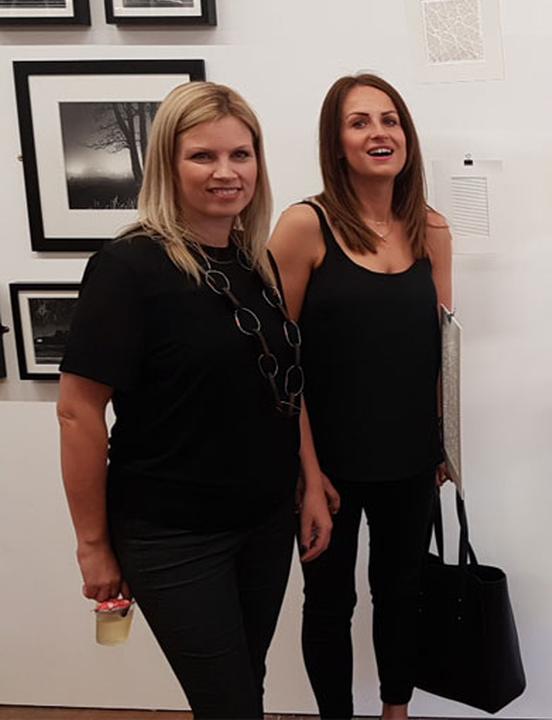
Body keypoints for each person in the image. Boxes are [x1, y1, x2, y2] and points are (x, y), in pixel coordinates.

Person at [57, 81, 303, 719]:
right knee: (228, 703)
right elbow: (78, 410)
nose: (226, 172)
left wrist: (307, 483)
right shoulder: (127, 267)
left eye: (241, 155)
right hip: (174, 536)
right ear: (168, 163)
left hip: (265, 524)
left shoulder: (255, 262)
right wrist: (93, 545)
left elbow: (278, 389)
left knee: (248, 683)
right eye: (203, 157)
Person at [268, 73, 452, 720]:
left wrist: (445, 443)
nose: (379, 133)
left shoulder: (430, 228)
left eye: (390, 119)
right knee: (329, 604)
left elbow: (442, 351)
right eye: (359, 122)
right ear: (336, 141)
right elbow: (277, 363)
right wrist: (307, 476)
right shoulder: (303, 227)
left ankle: (395, 712)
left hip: (409, 459)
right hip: (330, 468)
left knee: (402, 593)